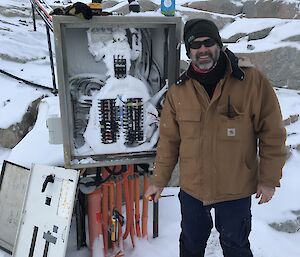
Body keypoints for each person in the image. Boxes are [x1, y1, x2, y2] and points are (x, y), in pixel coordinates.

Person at [145, 19, 286, 257]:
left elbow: (272, 133)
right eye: (195, 45)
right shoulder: (179, 91)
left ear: (218, 44)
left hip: (236, 188)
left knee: (236, 246)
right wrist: (159, 181)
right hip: (193, 190)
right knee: (190, 245)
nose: (202, 49)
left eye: (208, 42)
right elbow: (169, 141)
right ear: (188, 51)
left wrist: (269, 179)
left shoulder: (251, 81)